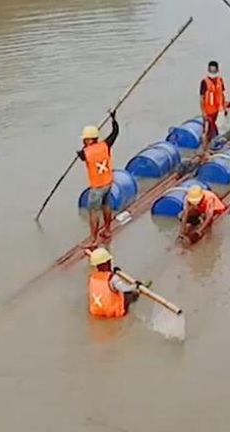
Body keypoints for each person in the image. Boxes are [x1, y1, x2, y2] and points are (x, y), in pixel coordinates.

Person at [78, 111, 119, 241]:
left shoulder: (85, 153)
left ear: (89, 140)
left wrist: (84, 147)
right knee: (107, 206)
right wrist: (113, 119)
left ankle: (93, 239)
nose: (84, 141)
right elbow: (115, 132)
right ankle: (107, 230)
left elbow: (81, 155)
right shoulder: (105, 145)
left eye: (85, 139)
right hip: (108, 183)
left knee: (93, 212)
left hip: (97, 188)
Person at [87, 247, 142, 318]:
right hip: (112, 313)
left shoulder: (92, 277)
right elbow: (125, 289)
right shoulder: (112, 278)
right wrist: (136, 286)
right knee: (131, 294)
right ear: (107, 262)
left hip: (97, 312)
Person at [199, 60, 226, 149]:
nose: (212, 72)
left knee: (213, 130)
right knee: (206, 131)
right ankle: (205, 149)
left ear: (217, 70)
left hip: (217, 110)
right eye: (211, 70)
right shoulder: (204, 82)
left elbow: (222, 94)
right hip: (208, 111)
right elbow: (202, 98)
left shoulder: (220, 80)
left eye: (214, 70)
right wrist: (203, 112)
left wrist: (224, 108)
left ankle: (211, 146)